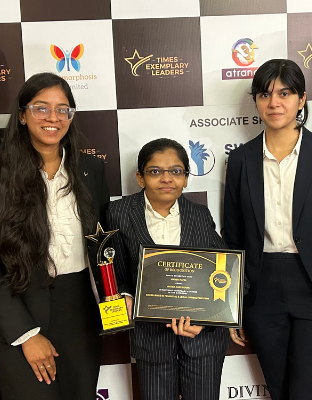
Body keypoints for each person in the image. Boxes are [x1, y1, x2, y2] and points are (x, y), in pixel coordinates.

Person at [223, 58, 312, 400]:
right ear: (256, 101)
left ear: (302, 99)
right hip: (262, 293)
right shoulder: (241, 160)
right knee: (282, 392)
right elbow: (234, 238)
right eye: (265, 94)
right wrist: (233, 308)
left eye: (284, 93)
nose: (274, 103)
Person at [0, 72, 109, 400]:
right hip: (18, 311)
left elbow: (105, 244)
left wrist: (119, 293)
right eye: (41, 108)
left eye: (63, 109)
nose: (53, 117)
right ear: (22, 115)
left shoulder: (91, 170)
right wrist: (26, 334)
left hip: (80, 314)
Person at [108, 138, 239, 400]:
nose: (166, 178)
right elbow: (117, 275)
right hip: (152, 341)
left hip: (202, 342)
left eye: (176, 171)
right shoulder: (119, 212)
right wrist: (126, 297)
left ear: (186, 178)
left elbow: (228, 275)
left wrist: (206, 319)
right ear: (140, 178)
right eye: (155, 171)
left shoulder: (200, 214)